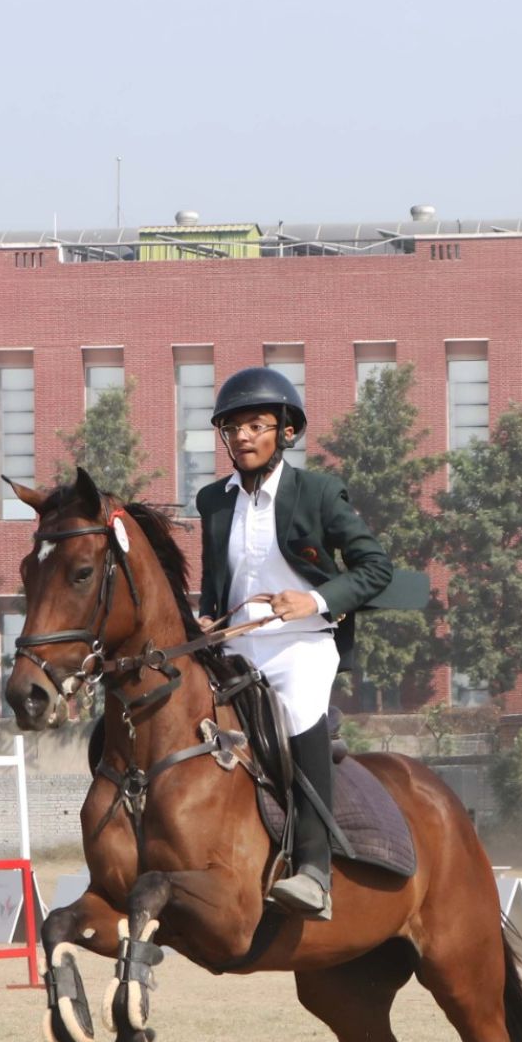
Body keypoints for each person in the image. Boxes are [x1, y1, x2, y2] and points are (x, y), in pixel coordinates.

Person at [195, 367, 393, 919]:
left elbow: (376, 568)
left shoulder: (319, 492)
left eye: (256, 425)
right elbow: (219, 581)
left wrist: (317, 600)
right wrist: (207, 619)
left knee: (301, 711)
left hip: (302, 644)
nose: (242, 437)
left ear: (285, 431)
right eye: (232, 428)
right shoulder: (213, 499)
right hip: (234, 647)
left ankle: (314, 872)